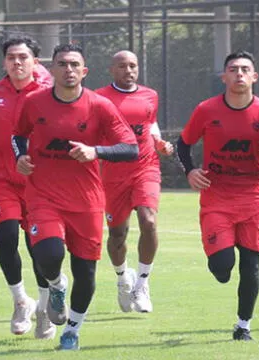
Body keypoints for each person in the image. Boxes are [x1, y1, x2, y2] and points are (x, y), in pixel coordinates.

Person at [13, 43, 139, 350]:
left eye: (74, 65)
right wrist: (22, 155)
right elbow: (18, 135)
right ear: (51, 70)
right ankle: (56, 286)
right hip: (43, 196)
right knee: (49, 255)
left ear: (84, 71)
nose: (68, 70)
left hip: (86, 201)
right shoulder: (34, 102)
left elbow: (131, 148)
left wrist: (95, 151)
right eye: (62, 64)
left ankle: (72, 330)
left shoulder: (100, 106)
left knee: (86, 273)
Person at [176, 51, 259, 341]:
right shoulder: (206, 109)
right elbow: (182, 145)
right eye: (233, 69)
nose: (239, 74)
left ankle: (243, 326)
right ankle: (219, 265)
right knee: (222, 268)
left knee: (251, 266)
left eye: (245, 69)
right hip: (216, 199)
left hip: (253, 199)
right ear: (224, 77)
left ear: (254, 77)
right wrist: (190, 171)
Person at [0, 36, 55, 339]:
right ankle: (21, 301)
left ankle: (45, 307)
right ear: (4, 61)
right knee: (6, 238)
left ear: (35, 61)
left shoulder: (50, 92)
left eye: (23, 57)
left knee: (39, 250)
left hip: (38, 183)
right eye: (11, 57)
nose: (17, 62)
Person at [95, 50, 173, 313]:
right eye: (122, 66)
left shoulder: (150, 94)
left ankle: (142, 283)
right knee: (118, 235)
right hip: (113, 173)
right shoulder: (99, 98)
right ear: (111, 70)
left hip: (146, 166)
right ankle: (122, 278)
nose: (129, 70)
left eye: (133, 65)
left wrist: (159, 142)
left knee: (149, 221)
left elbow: (150, 124)